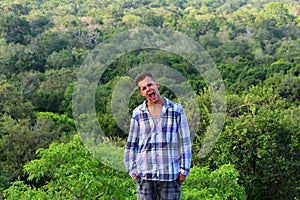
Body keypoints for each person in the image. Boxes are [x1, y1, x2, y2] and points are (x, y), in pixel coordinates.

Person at [124, 72, 192, 200]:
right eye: (143, 88)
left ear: (157, 85)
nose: (148, 89)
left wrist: (184, 170)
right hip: (144, 176)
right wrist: (132, 171)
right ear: (142, 93)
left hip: (170, 175)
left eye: (150, 85)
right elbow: (131, 145)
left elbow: (185, 142)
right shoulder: (137, 113)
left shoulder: (176, 110)